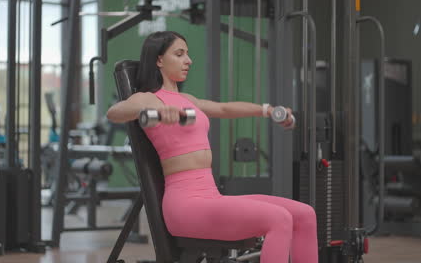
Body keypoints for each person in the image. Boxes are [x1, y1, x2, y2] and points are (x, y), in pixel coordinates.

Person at [107, 31, 318, 263]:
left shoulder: (189, 100)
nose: (189, 60)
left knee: (305, 214)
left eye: (187, 54)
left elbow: (225, 109)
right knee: (279, 219)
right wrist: (153, 112)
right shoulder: (149, 98)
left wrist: (268, 110)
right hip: (186, 205)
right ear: (159, 60)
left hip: (210, 196)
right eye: (179, 54)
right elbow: (115, 113)